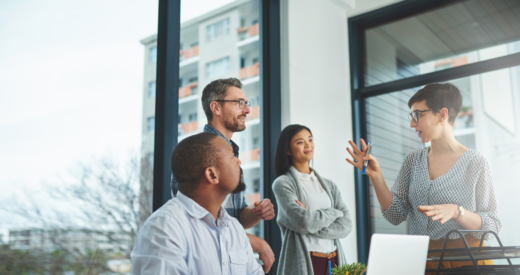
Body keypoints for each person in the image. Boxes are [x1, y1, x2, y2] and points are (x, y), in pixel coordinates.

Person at [346, 83, 501, 273]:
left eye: (418, 114)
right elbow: (395, 215)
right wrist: (376, 177)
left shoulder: (476, 163)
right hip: (422, 261)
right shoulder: (413, 161)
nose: (412, 123)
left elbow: (492, 224)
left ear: (442, 115)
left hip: (467, 261)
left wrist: (456, 211)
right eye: (411, 116)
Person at [171, 77, 275, 273]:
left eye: (247, 103)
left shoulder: (232, 154)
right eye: (239, 103)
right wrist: (256, 242)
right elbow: (199, 220)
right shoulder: (196, 152)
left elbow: (235, 217)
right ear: (216, 108)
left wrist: (256, 212)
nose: (247, 110)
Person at [131, 132, 264, 275]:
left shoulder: (234, 228)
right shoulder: (164, 228)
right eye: (232, 157)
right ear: (212, 175)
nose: (239, 162)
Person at [272, 124, 352, 275]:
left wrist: (311, 218)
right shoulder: (282, 184)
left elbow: (346, 226)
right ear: (288, 150)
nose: (308, 145)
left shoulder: (329, 185)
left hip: (334, 261)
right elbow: (305, 222)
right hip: (306, 261)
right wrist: (334, 213)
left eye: (310, 139)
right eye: (300, 142)